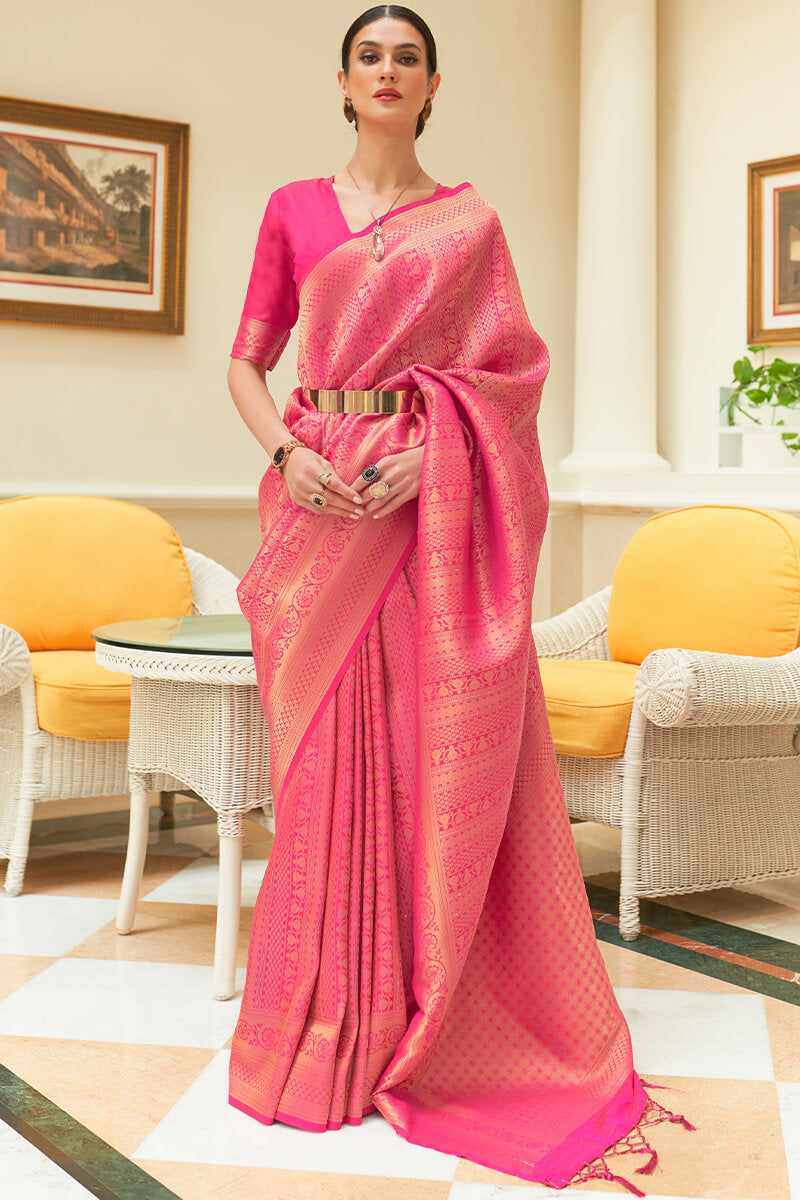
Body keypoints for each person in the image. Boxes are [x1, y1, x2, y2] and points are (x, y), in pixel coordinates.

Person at [226, 6, 694, 1192]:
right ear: (342, 79)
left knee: (416, 759)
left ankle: (423, 1021)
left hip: (422, 514)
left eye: (407, 57)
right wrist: (287, 455)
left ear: (432, 85)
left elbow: (509, 380)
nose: (386, 71)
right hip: (317, 502)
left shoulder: (469, 224)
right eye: (368, 55)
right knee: (323, 766)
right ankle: (321, 1027)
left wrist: (431, 456)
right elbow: (248, 360)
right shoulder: (293, 209)